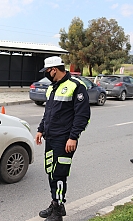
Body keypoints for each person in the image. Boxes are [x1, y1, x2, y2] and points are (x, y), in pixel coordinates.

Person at [35, 56, 91, 221]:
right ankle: (56, 203)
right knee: (51, 172)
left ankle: (57, 213)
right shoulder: (52, 88)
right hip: (50, 138)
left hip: (65, 140)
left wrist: (73, 137)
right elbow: (48, 113)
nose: (46, 74)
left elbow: (83, 116)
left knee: (59, 174)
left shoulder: (76, 86)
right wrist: (40, 129)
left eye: (47, 71)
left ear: (54, 69)